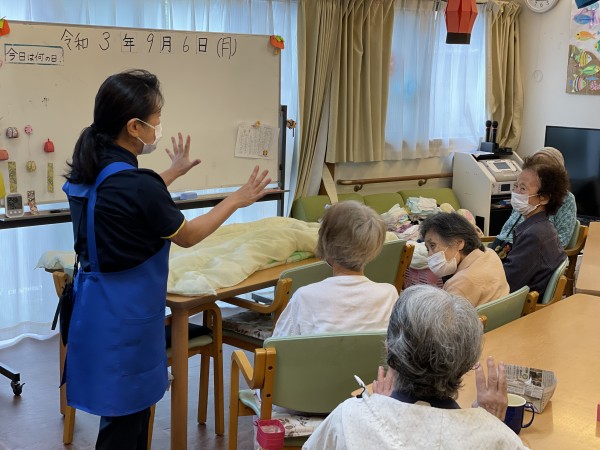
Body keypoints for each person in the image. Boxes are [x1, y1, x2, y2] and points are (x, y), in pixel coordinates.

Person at [62, 69, 278, 449]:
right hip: (128, 322)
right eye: (156, 120)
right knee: (126, 422)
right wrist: (236, 199)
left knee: (118, 415)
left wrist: (173, 172)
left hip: (94, 311)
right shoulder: (136, 185)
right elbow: (188, 236)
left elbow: (127, 198)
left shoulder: (89, 172)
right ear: (134, 126)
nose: (158, 128)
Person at [303, 285, 527, 450]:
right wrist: (490, 425)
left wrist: (381, 408)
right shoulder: (497, 438)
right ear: (468, 363)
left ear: (389, 347)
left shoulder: (348, 417)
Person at [272, 201, 398, 337]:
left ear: (325, 242)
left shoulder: (304, 297)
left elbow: (278, 347)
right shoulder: (389, 295)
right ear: (374, 246)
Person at [502, 157, 568, 297]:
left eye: (523, 188)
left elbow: (507, 282)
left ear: (544, 198)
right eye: (516, 186)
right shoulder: (545, 227)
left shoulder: (533, 235)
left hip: (519, 304)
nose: (516, 192)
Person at [491, 147, 577, 253]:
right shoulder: (523, 195)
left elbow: (561, 241)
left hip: (529, 251)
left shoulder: (566, 199)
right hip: (502, 246)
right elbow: (506, 230)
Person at [419, 212, 509, 307]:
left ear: (459, 243)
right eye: (428, 249)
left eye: (432, 245)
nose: (429, 255)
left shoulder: (459, 284)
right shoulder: (490, 254)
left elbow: (447, 316)